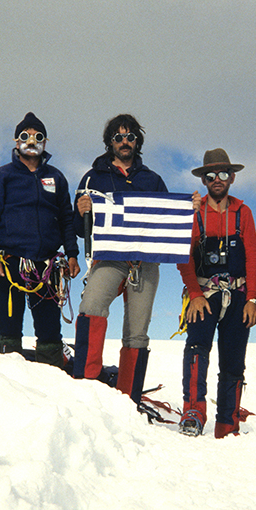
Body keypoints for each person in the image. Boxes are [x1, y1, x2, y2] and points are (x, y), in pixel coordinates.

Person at [72, 114, 168, 403]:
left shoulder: (153, 179)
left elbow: (166, 221)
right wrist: (81, 211)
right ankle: (85, 384)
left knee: (137, 332)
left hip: (145, 262)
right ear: (109, 142)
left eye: (130, 137)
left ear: (137, 141)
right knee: (91, 306)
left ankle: (129, 398)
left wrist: (187, 210)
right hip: (110, 258)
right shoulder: (93, 177)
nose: (124, 142)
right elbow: (79, 230)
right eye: (118, 137)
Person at [0, 112, 81, 367]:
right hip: (10, 264)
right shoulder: (1, 177)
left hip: (46, 266)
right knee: (9, 330)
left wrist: (72, 254)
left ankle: (52, 389)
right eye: (25, 136)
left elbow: (66, 219)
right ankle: (7, 388)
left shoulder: (56, 178)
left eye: (38, 136)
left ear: (45, 142)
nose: (31, 141)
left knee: (50, 332)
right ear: (16, 141)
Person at [176, 149, 256, 438]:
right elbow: (183, 256)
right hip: (205, 294)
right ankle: (194, 412)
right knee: (197, 349)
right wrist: (195, 294)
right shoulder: (194, 213)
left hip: (238, 295)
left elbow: (252, 256)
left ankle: (228, 422)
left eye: (223, 174)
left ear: (232, 177)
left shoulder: (243, 212)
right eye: (210, 175)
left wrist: (252, 298)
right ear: (203, 179)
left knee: (234, 359)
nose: (216, 180)